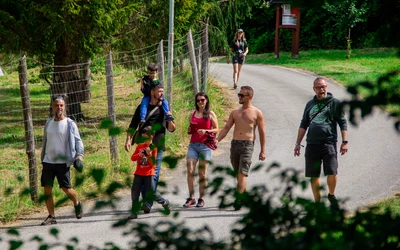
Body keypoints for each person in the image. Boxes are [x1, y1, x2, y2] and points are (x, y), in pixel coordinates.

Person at [294, 77, 348, 209]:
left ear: (326, 87)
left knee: (332, 171)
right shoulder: (310, 104)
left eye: (323, 86)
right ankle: (317, 204)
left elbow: (342, 122)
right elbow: (304, 124)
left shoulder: (334, 102)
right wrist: (297, 143)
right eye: (318, 87)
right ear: (314, 89)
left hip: (328, 142)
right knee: (314, 175)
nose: (321, 89)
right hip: (312, 143)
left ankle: (331, 194)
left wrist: (344, 141)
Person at [125, 84, 176, 208]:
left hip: (157, 146)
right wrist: (128, 140)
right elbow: (133, 125)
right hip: (142, 146)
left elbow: (172, 129)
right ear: (152, 92)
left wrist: (169, 117)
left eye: (163, 91)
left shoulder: (164, 108)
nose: (161, 94)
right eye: (159, 91)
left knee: (153, 174)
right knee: (142, 174)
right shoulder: (143, 108)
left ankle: (147, 203)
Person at [216, 86, 266, 210]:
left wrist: (263, 150)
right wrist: (217, 140)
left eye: (242, 95)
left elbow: (261, 132)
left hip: (247, 145)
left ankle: (238, 200)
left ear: (250, 97)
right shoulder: (235, 112)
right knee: (238, 174)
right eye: (239, 95)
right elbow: (227, 128)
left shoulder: (257, 112)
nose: (239, 97)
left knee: (242, 173)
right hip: (235, 144)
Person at [40, 95, 84, 225]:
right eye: (56, 105)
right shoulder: (48, 123)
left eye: (61, 105)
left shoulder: (70, 124)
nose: (59, 108)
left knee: (66, 189)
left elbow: (78, 141)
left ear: (64, 107)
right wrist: (43, 157)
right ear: (52, 107)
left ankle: (77, 202)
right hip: (48, 161)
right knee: (47, 188)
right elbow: (45, 141)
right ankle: (51, 216)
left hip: (63, 162)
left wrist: (79, 156)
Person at [183, 92, 219, 208]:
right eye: (198, 100)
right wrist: (190, 129)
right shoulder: (192, 113)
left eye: (202, 100)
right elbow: (191, 128)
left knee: (202, 173)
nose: (200, 102)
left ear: (206, 100)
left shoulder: (210, 114)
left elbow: (216, 129)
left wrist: (205, 131)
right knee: (190, 170)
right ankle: (191, 197)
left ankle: (201, 198)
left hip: (205, 145)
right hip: (193, 144)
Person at [128, 126, 170, 219]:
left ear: (151, 136)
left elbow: (153, 164)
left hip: (148, 174)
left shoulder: (153, 148)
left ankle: (164, 202)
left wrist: (149, 154)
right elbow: (132, 158)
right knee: (135, 192)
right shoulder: (139, 146)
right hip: (138, 173)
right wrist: (139, 155)